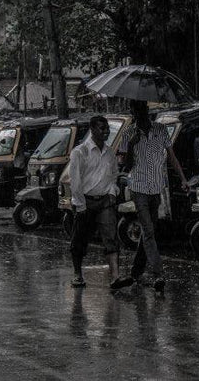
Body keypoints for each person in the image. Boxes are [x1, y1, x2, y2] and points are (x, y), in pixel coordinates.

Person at [120, 100, 189, 293]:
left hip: (156, 187)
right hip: (139, 187)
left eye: (141, 110)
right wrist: (132, 146)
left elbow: (171, 156)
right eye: (135, 111)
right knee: (149, 231)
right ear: (132, 112)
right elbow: (125, 165)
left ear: (147, 110)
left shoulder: (161, 130)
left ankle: (135, 272)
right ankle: (159, 274)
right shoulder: (128, 134)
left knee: (148, 232)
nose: (139, 115)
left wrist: (182, 178)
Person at [69, 115, 133, 290]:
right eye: (102, 129)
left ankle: (115, 277)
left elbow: (113, 175)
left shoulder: (110, 152)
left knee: (111, 238)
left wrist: (112, 192)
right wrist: (80, 205)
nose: (105, 132)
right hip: (85, 202)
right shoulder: (79, 152)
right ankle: (77, 274)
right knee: (80, 239)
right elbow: (75, 181)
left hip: (105, 201)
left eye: (107, 129)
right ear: (92, 129)